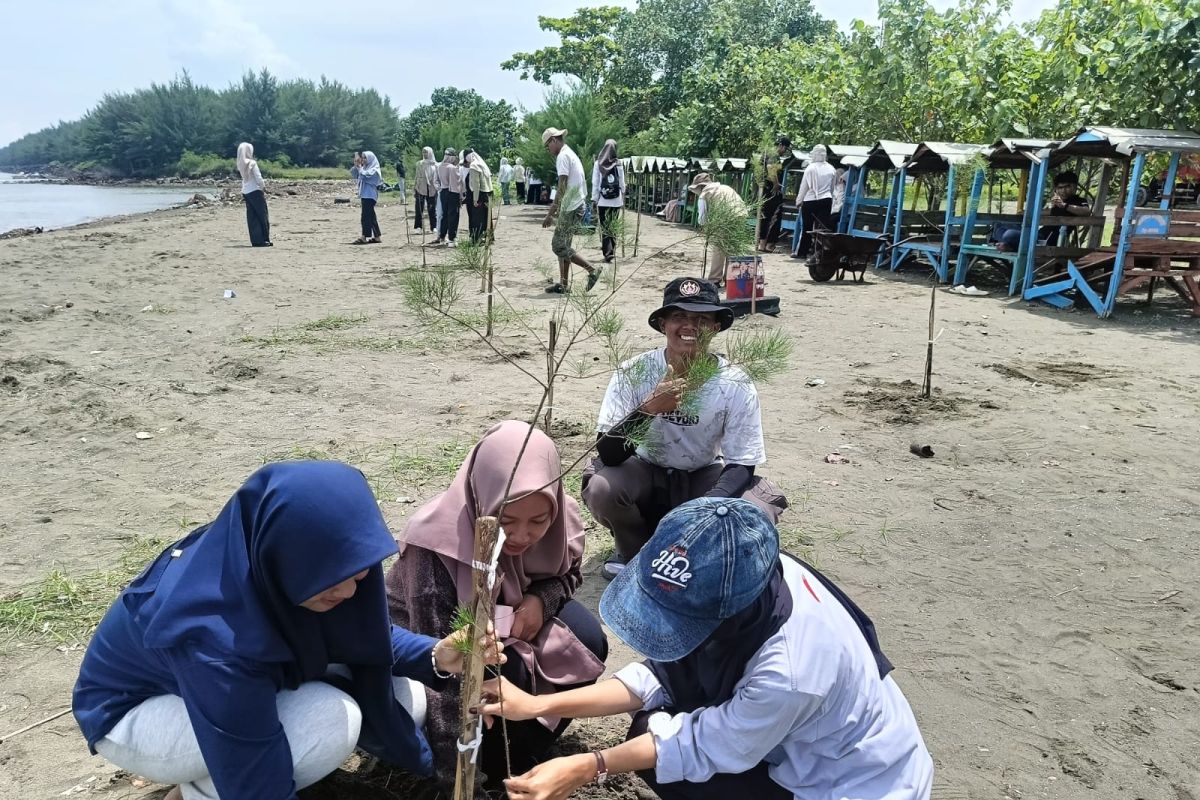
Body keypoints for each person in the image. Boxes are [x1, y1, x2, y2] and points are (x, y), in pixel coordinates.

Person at [72, 461, 504, 800]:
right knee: (328, 724)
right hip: (135, 713)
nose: (350, 590)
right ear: (283, 556)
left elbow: (364, 636)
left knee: (403, 698)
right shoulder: (214, 632)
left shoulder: (299, 567)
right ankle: (202, 792)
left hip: (228, 690)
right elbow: (255, 779)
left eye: (357, 573)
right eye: (331, 578)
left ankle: (199, 788)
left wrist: (437, 654)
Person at [479, 498, 935, 800]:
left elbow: (702, 745)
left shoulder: (790, 672)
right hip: (796, 738)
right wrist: (539, 703)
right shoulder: (753, 571)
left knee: (655, 745)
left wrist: (587, 766)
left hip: (853, 782)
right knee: (650, 730)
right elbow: (660, 675)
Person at [386, 421, 608, 792]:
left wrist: (541, 599)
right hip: (425, 654)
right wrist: (456, 778)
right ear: (481, 501)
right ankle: (484, 763)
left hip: (508, 615)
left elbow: (569, 574)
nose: (522, 536)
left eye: (538, 521)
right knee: (506, 671)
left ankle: (522, 754)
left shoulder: (561, 517)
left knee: (586, 640)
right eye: (506, 522)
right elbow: (441, 667)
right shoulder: (434, 549)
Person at [582, 277, 786, 578]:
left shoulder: (735, 382)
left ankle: (696, 556)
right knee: (602, 487)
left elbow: (742, 464)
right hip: (644, 471)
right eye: (679, 316)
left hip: (703, 473)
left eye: (702, 319)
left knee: (755, 507)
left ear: (716, 327)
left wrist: (705, 507)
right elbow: (609, 453)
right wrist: (650, 409)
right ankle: (633, 549)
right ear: (663, 324)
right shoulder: (634, 371)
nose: (689, 326)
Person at [541, 128, 600, 294]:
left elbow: (562, 186)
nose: (548, 150)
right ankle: (564, 285)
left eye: (547, 146)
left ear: (553, 140)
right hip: (574, 204)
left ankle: (592, 270)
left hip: (572, 206)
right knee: (564, 246)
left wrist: (550, 213)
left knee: (558, 245)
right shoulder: (570, 154)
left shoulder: (563, 156)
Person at [990, 170, 1091, 252]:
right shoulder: (1057, 203)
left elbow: (1086, 212)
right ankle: (1008, 245)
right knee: (999, 227)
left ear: (1074, 187)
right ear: (1056, 189)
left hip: (1046, 241)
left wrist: (1064, 205)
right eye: (1060, 187)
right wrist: (1026, 212)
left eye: (1067, 186)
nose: (1063, 190)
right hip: (1038, 235)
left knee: (1009, 234)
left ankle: (1009, 245)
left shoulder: (1079, 201)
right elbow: (1047, 212)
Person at [687, 173, 748, 283]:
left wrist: (707, 231)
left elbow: (702, 219)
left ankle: (714, 279)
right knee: (732, 248)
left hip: (724, 218)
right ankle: (731, 278)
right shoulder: (725, 187)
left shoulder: (704, 194)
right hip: (741, 215)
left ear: (700, 187)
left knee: (719, 249)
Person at [791, 144, 836, 261]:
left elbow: (804, 187)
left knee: (807, 227)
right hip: (826, 200)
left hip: (810, 201)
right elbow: (832, 188)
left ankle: (802, 252)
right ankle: (819, 253)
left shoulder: (810, 168)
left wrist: (799, 201)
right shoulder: (831, 169)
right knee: (822, 228)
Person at [757, 135, 794, 253]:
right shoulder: (774, 155)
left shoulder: (765, 153)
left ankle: (762, 244)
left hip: (763, 190)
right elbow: (770, 168)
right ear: (781, 145)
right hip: (771, 191)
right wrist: (776, 184)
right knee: (774, 216)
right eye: (786, 149)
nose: (784, 152)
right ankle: (768, 245)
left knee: (764, 216)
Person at [592, 139, 625, 263]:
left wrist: (594, 199)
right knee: (613, 225)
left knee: (605, 225)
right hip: (616, 201)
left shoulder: (598, 163)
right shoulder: (618, 163)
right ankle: (612, 250)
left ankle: (607, 252)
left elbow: (595, 183)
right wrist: (623, 192)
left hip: (602, 201)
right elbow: (621, 182)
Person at [236, 142, 271, 247]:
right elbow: (258, 178)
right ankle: (264, 239)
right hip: (255, 191)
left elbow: (244, 179)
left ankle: (256, 240)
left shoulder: (240, 163)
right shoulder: (252, 163)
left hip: (246, 192)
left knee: (252, 217)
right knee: (262, 215)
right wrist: (263, 187)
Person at [351, 151, 384, 244]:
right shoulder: (365, 168)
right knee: (371, 216)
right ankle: (377, 236)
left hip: (370, 195)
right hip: (365, 195)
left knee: (365, 217)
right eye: (363, 158)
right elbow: (355, 174)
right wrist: (357, 165)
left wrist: (360, 168)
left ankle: (364, 236)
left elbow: (365, 176)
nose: (364, 160)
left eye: (365, 158)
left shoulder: (375, 170)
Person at [465, 149, 494, 244]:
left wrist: (475, 199)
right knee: (487, 217)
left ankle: (477, 239)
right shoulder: (482, 164)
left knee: (478, 218)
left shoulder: (474, 166)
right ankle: (489, 237)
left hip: (480, 194)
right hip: (488, 193)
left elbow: (476, 184)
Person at [435, 148, 463, 247]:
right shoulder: (452, 168)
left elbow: (437, 181)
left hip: (443, 192)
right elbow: (456, 182)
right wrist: (460, 195)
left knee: (445, 215)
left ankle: (442, 236)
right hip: (452, 192)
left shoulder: (439, 166)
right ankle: (452, 239)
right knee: (453, 216)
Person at [414, 146, 440, 233]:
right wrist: (415, 187)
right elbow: (417, 176)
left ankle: (434, 226)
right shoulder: (419, 164)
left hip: (432, 188)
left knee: (432, 208)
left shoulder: (435, 165)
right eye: (423, 152)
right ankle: (418, 226)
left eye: (426, 152)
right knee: (419, 208)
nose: (425, 154)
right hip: (421, 187)